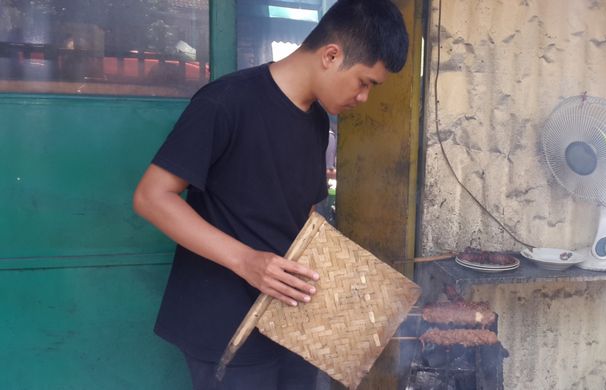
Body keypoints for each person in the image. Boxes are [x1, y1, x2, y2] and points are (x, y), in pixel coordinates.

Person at [132, 0, 408, 388]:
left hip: (291, 323)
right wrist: (246, 261)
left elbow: (303, 213)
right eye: (365, 82)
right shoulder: (225, 102)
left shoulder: (315, 119)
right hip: (223, 325)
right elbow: (151, 197)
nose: (364, 97)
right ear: (331, 55)